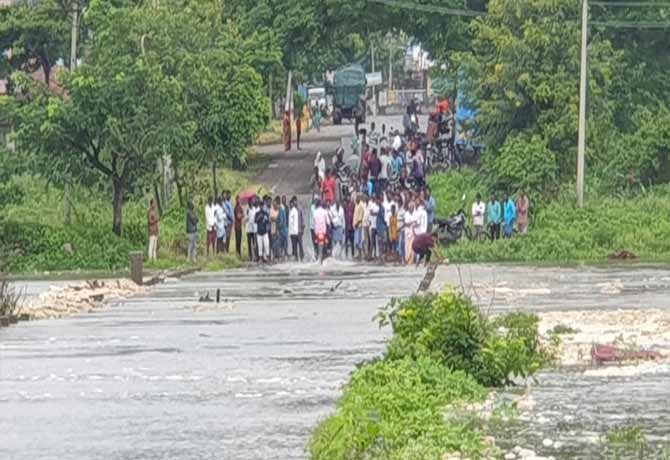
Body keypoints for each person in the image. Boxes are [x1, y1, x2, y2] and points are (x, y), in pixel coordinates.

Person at [255, 199, 270, 263]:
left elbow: (268, 221)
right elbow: (255, 221)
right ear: (259, 206)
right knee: (260, 246)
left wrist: (265, 218)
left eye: (262, 205)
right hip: (259, 232)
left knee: (266, 245)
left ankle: (267, 257)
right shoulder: (257, 213)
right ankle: (260, 258)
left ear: (263, 206)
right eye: (260, 205)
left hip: (265, 232)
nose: (261, 207)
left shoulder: (265, 213)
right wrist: (259, 217)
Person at [289, 197, 304, 262]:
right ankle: (296, 258)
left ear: (296, 201)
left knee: (300, 244)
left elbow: (303, 219)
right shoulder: (291, 210)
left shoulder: (300, 209)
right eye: (293, 201)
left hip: (299, 230)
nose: (294, 202)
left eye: (295, 201)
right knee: (294, 245)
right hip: (293, 232)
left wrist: (303, 229)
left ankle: (302, 257)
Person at [375, 195, 388, 264]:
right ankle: (381, 258)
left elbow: (383, 218)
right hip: (379, 228)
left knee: (382, 243)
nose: (376, 201)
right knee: (380, 243)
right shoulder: (379, 208)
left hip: (382, 228)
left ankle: (383, 258)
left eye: (377, 200)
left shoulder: (382, 208)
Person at [353, 194, 365, 260]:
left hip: (359, 225)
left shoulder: (361, 205)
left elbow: (361, 215)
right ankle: (358, 254)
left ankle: (361, 255)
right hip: (355, 225)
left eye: (357, 198)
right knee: (357, 241)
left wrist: (357, 223)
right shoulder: (356, 205)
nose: (356, 199)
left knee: (359, 241)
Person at [404, 201, 416, 265]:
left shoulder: (415, 214)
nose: (411, 208)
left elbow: (416, 222)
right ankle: (407, 260)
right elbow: (406, 223)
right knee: (407, 247)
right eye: (410, 207)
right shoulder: (406, 214)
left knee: (412, 247)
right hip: (407, 232)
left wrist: (413, 222)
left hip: (413, 232)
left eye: (412, 207)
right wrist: (412, 222)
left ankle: (411, 261)